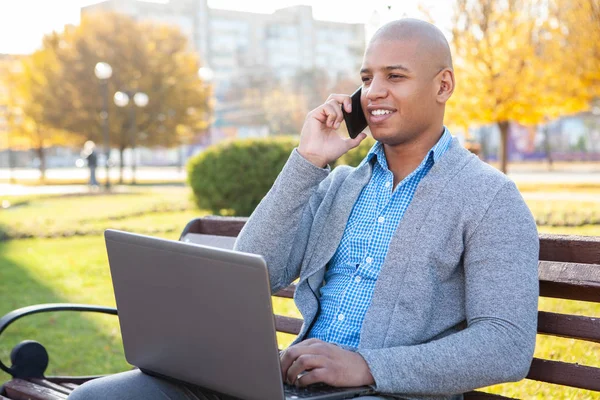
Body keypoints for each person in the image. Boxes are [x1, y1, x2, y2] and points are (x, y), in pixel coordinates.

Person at [69, 18, 539, 400]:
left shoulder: (490, 198)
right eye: (366, 78)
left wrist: (366, 366)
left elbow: (505, 345)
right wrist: (309, 161)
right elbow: (256, 268)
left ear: (443, 86)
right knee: (97, 399)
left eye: (394, 76)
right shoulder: (338, 185)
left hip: (385, 394)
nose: (374, 91)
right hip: (285, 386)